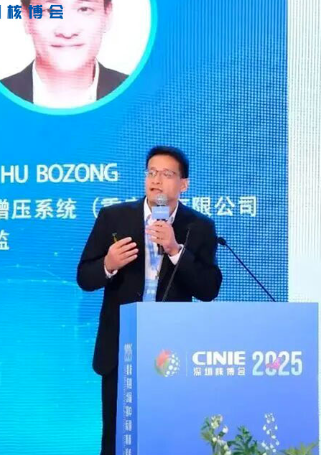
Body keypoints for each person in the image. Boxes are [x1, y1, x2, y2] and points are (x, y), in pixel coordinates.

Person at [77, 146, 222, 455]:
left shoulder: (199, 227)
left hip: (172, 350)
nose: (156, 180)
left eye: (167, 174)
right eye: (151, 172)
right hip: (121, 347)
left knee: (168, 438)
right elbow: (85, 278)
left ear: (184, 184)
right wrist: (108, 264)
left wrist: (175, 250)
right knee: (117, 439)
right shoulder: (113, 217)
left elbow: (208, 289)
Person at [1, 0, 127, 108]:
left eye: (84, 9)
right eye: (50, 10)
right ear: (26, 17)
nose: (67, 31)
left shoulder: (142, 98)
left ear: (107, 15)